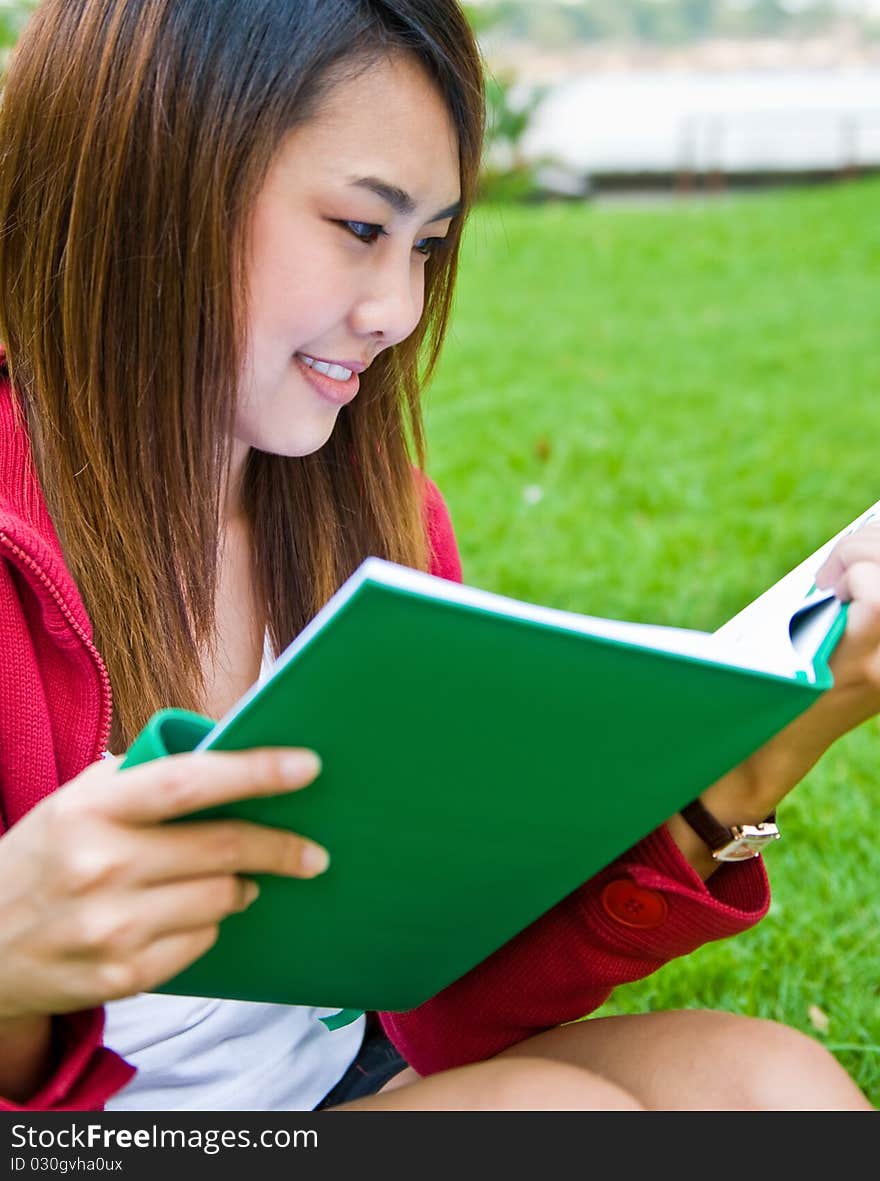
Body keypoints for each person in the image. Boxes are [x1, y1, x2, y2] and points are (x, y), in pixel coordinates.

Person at [0, 0, 875, 1114]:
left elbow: (447, 1004)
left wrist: (796, 710)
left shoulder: (380, 522)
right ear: (152, 181)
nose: (398, 309)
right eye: (363, 229)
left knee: (771, 1082)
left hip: (335, 1088)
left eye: (428, 245)